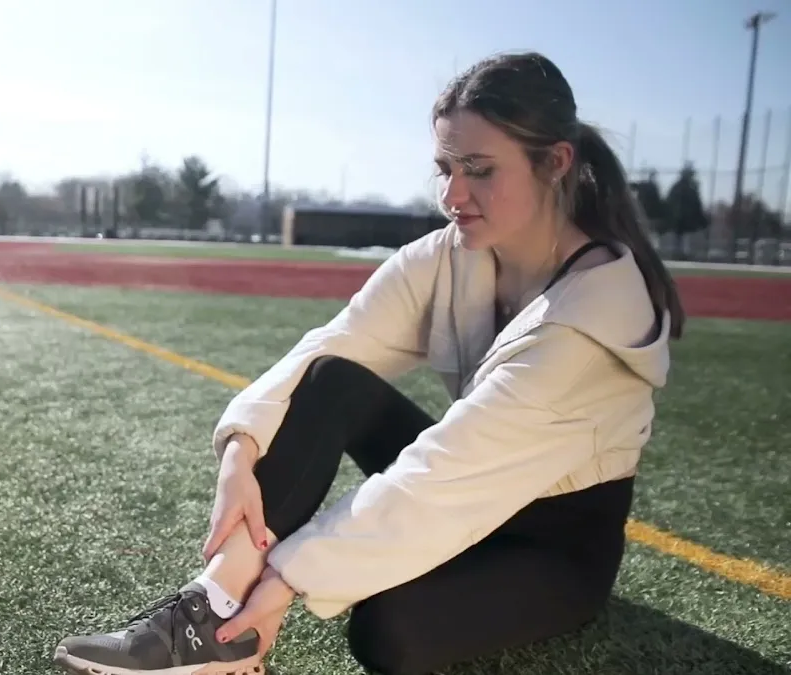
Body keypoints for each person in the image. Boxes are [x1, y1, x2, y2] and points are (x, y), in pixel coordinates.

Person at [51, 50, 684, 675]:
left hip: (553, 542)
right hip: (468, 477)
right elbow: (335, 343)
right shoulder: (450, 254)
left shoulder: (592, 314)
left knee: (390, 630)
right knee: (333, 379)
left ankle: (229, 621)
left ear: (556, 163)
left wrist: (285, 578)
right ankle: (214, 609)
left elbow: (448, 473)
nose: (453, 194)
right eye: (445, 167)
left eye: (480, 169)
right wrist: (242, 448)